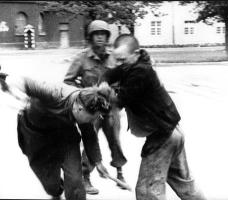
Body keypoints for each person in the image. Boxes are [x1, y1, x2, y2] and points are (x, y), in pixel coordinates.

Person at [101, 34, 206, 200]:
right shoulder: (131, 65)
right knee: (185, 186)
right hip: (173, 133)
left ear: (136, 54)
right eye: (117, 59)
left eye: (123, 60)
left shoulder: (141, 72)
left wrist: (105, 91)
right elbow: (112, 73)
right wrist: (105, 80)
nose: (119, 64)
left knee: (147, 191)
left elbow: (121, 99)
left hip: (164, 137)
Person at [2, 75, 112, 200]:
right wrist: (8, 84)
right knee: (51, 186)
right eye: (93, 117)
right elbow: (26, 82)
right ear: (79, 109)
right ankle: (56, 190)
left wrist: (98, 162)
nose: (94, 120)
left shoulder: (87, 106)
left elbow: (90, 137)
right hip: (36, 137)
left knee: (75, 180)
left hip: (65, 136)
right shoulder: (54, 93)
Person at [64, 20, 127, 194]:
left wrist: (117, 95)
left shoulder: (113, 57)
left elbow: (123, 80)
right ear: (90, 37)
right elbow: (67, 81)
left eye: (103, 34)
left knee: (115, 139)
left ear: (107, 37)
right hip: (90, 109)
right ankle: (86, 178)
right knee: (90, 141)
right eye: (96, 34)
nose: (100, 37)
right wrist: (82, 94)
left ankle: (119, 173)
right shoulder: (81, 58)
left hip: (110, 107)